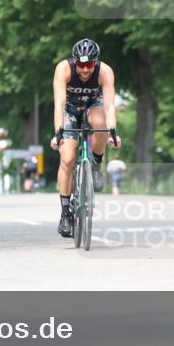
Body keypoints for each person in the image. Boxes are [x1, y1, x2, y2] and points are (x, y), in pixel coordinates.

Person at [50, 38, 120, 237]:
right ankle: (65, 213)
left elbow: (110, 106)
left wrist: (112, 131)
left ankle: (96, 166)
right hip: (69, 110)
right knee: (67, 159)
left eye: (90, 65)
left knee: (101, 124)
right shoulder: (63, 69)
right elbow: (59, 105)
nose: (85, 70)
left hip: (93, 105)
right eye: (81, 65)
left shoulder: (105, 72)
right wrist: (58, 133)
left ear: (96, 62)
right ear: (75, 62)